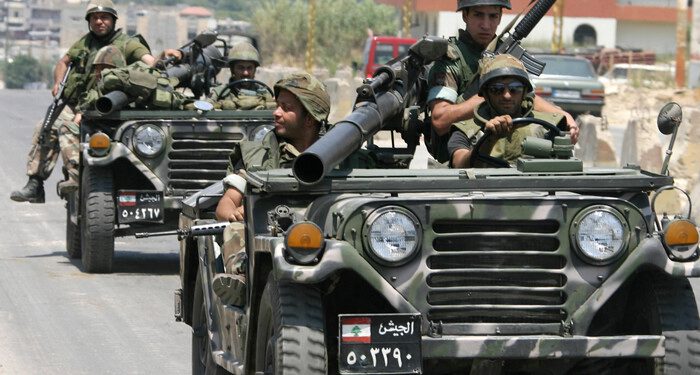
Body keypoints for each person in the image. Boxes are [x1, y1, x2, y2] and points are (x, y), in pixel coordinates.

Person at [10, 0, 156, 202]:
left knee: (67, 127)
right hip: (79, 103)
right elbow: (64, 61)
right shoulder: (85, 43)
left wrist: (164, 59)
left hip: (110, 107)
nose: (99, 22)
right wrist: (58, 83)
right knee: (46, 126)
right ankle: (35, 183)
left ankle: (76, 177)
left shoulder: (127, 43)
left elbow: (150, 61)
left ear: (113, 20)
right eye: (94, 18)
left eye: (104, 17)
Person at [211, 72, 330, 306]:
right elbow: (225, 204)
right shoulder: (258, 155)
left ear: (309, 119)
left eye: (286, 108)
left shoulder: (341, 153)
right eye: (277, 105)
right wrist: (234, 214)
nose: (276, 113)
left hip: (321, 236)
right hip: (270, 238)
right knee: (236, 227)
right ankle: (241, 277)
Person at [426, 0, 578, 162]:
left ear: (500, 18)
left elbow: (527, 98)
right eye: (478, 15)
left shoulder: (507, 55)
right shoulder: (451, 60)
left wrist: (563, 116)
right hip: (464, 148)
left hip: (513, 150)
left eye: (493, 16)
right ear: (465, 15)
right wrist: (489, 94)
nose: (486, 24)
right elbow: (440, 121)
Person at [448, 54, 566, 168]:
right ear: (485, 93)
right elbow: (459, 164)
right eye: (497, 89)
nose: (507, 96)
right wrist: (487, 141)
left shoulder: (550, 127)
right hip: (485, 188)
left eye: (515, 88)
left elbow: (565, 169)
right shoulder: (466, 130)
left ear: (525, 92)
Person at [208, 42, 275, 110]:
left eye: (249, 68)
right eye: (241, 68)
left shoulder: (264, 94)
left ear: (255, 70)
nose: (245, 73)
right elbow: (204, 110)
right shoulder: (219, 92)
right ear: (232, 70)